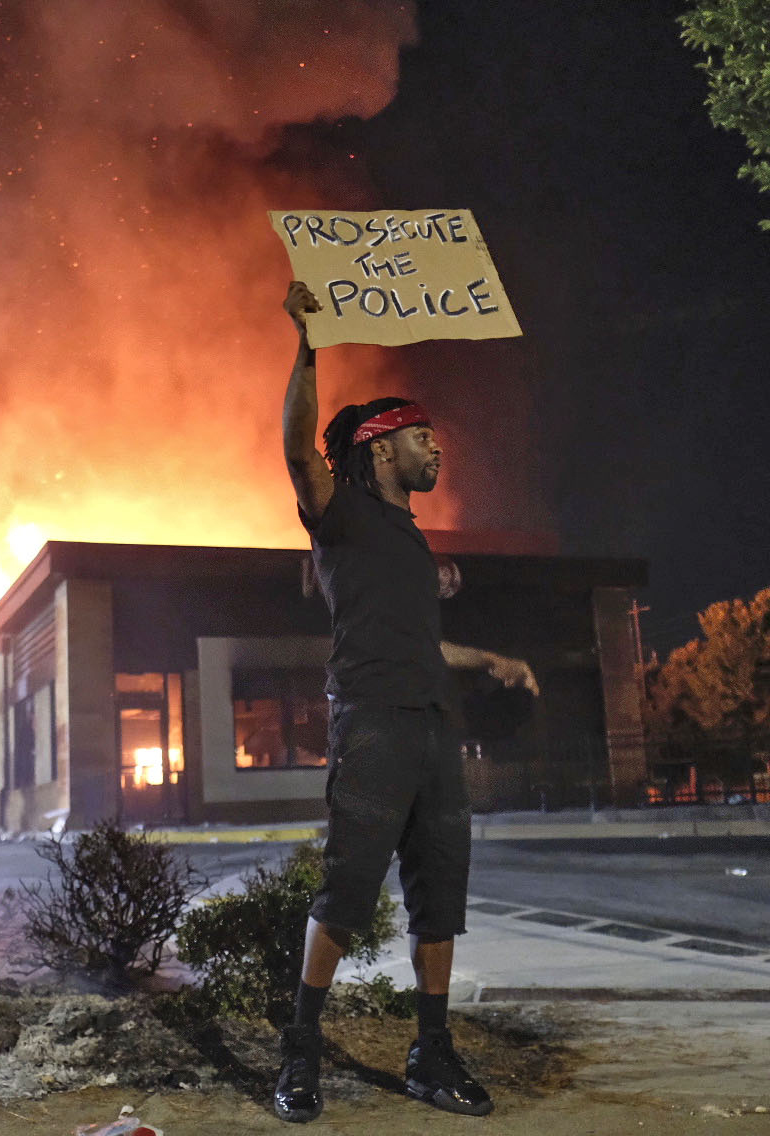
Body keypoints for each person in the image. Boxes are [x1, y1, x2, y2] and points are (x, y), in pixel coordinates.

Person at [275, 280, 540, 1123]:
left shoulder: (415, 544)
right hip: (371, 724)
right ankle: (302, 1050)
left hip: (433, 727)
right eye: (424, 438)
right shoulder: (342, 515)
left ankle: (432, 1052)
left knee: (440, 898)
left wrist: (488, 659)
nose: (438, 451)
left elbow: (419, 642)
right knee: (347, 891)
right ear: (383, 447)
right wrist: (308, 343)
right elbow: (295, 451)